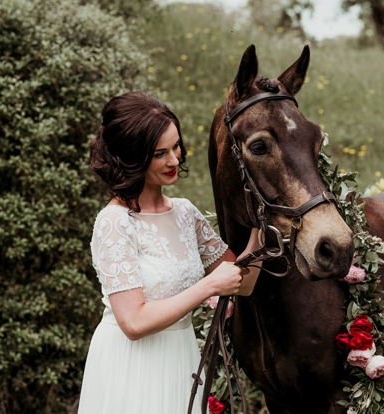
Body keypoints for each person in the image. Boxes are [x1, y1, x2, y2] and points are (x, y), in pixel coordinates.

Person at [77, 92, 261, 413]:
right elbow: (133, 322)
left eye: (176, 146)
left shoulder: (186, 214)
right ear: (132, 157)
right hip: (132, 366)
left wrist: (262, 227)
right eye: (160, 153)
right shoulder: (114, 222)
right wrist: (208, 287)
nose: (175, 160)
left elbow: (242, 282)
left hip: (182, 358)